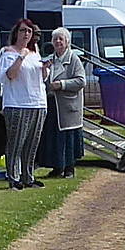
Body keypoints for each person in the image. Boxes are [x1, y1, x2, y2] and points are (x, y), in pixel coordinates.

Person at [0, 18, 48, 188]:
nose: (26, 34)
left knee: (32, 143)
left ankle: (28, 176)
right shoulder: (8, 52)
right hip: (17, 103)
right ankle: (13, 177)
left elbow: (42, 77)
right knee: (16, 142)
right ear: (16, 33)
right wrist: (21, 57)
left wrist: (46, 67)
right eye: (23, 30)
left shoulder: (35, 52)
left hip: (38, 102)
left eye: (29, 31)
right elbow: (10, 75)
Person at [44, 28, 87, 179]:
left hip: (68, 107)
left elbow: (81, 81)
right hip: (53, 105)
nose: (58, 42)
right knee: (54, 137)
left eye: (61, 39)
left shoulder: (74, 59)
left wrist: (62, 84)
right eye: (55, 39)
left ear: (67, 42)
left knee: (68, 138)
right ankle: (57, 167)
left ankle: (69, 168)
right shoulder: (50, 60)